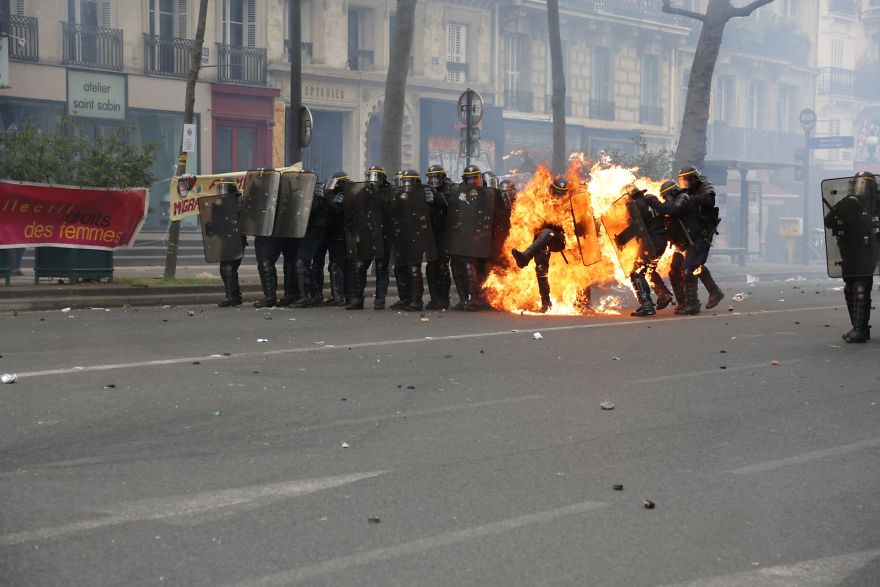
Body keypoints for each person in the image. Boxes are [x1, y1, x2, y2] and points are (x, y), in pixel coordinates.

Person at [823, 171, 879, 343]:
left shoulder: (877, 202)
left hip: (868, 250)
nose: (862, 188)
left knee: (861, 285)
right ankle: (858, 327)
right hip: (848, 251)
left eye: (865, 184)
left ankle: (860, 330)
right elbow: (829, 221)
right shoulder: (848, 202)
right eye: (860, 184)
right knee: (850, 287)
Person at [510, 176, 570, 313]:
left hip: (559, 240)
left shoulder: (570, 204)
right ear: (551, 190)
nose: (559, 196)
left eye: (562, 193)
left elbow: (572, 226)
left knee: (548, 232)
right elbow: (533, 220)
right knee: (541, 268)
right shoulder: (542, 202)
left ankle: (525, 257)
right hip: (541, 240)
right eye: (557, 193)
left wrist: (559, 213)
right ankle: (546, 302)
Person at [646, 179, 705, 315]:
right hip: (681, 243)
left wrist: (654, 202)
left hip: (692, 241)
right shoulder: (672, 202)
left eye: (666, 196)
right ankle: (683, 303)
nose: (665, 199)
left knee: (687, 271)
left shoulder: (683, 197)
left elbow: (673, 211)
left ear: (672, 192)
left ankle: (693, 305)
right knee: (674, 272)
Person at [617, 184, 673, 317]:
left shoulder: (634, 205)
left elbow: (637, 226)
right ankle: (663, 294)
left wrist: (621, 239)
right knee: (648, 270)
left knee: (636, 273)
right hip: (662, 242)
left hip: (650, 243)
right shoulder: (652, 201)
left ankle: (647, 305)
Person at [677, 166, 724, 309]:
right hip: (691, 234)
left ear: (692, 178)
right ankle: (715, 292)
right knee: (695, 265)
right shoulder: (688, 190)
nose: (684, 182)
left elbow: (709, 200)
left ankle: (692, 304)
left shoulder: (704, 185)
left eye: (685, 179)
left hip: (703, 233)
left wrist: (691, 199)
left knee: (689, 268)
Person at [344, 166, 391, 310]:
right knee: (359, 266)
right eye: (371, 176)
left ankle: (380, 299)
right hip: (367, 236)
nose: (374, 180)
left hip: (383, 236)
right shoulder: (363, 193)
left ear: (383, 178)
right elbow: (354, 213)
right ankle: (357, 299)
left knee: (381, 268)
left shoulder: (388, 192)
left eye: (377, 177)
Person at [448, 164, 490, 311]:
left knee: (469, 268)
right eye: (469, 179)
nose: (472, 182)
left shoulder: (487, 192)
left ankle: (474, 299)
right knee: (456, 266)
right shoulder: (459, 191)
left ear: (479, 178)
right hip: (460, 235)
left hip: (476, 236)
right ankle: (464, 299)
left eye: (474, 178)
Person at [290, 173, 327, 308]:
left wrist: (304, 194)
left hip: (313, 233)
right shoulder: (303, 194)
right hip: (304, 232)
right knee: (304, 263)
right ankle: (315, 296)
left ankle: (305, 297)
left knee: (301, 262)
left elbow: (313, 208)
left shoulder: (317, 197)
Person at [313, 171, 349, 307]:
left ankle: (338, 297)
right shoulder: (330, 194)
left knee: (336, 265)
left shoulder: (343, 194)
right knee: (317, 264)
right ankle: (317, 295)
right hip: (325, 232)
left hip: (337, 234)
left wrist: (325, 198)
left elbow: (337, 209)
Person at [424, 164, 452, 310]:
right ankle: (434, 298)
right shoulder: (426, 190)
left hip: (444, 233)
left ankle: (444, 299)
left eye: (437, 177)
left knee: (442, 266)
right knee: (431, 267)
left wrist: (434, 195)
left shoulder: (450, 189)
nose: (434, 180)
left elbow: (447, 203)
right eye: (431, 177)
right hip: (431, 233)